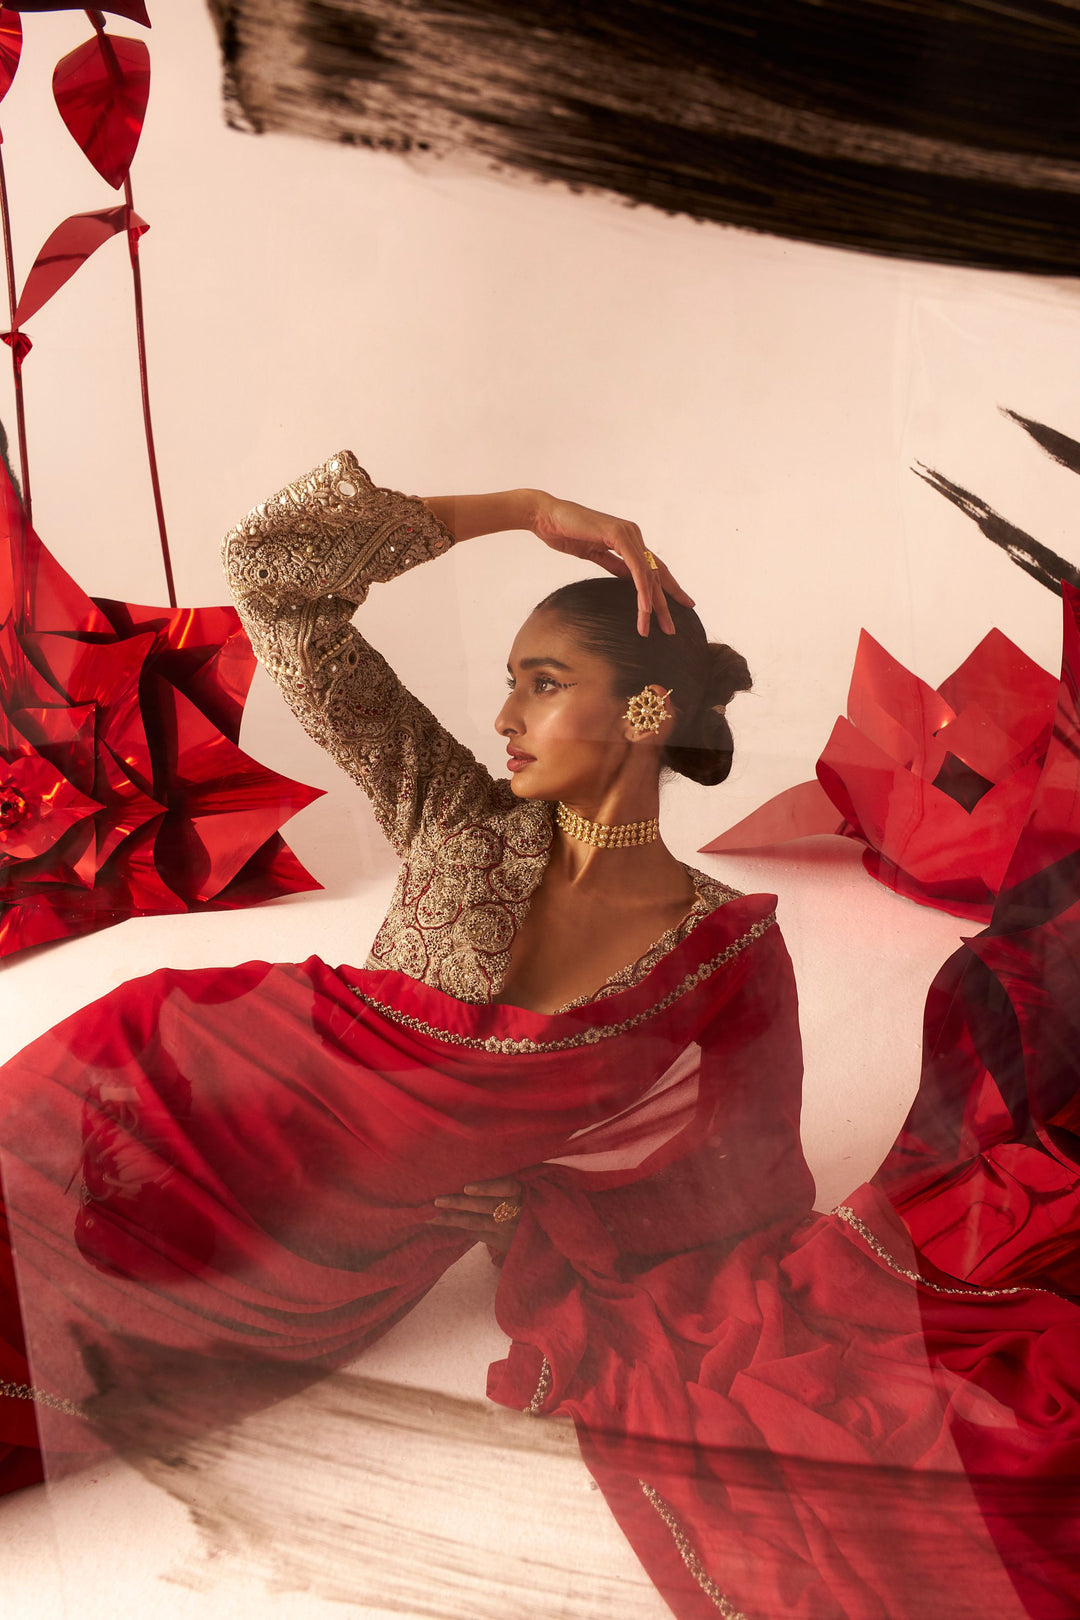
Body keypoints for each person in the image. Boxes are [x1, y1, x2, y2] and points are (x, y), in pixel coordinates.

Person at [0, 451, 1078, 1620]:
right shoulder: (447, 810)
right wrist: (524, 511)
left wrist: (534, 1210)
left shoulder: (724, 955)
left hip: (305, 1259)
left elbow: (737, 1199)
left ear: (646, 711)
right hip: (144, 1084)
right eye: (511, 682)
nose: (505, 716)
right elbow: (272, 579)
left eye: (545, 683)